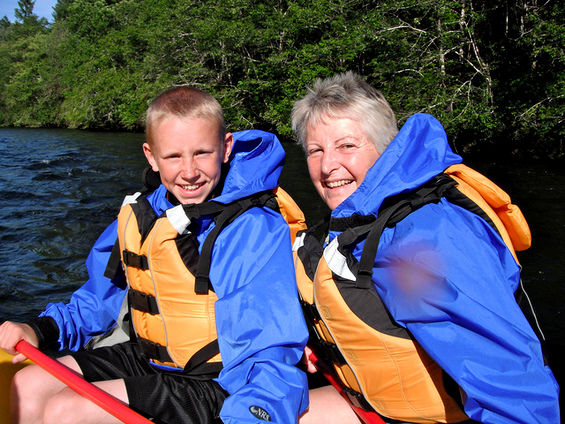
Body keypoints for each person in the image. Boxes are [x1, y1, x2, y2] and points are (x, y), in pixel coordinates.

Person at [0, 86, 309, 424]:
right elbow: (99, 299)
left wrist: (255, 414)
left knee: (67, 410)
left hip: (219, 382)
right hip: (151, 358)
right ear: (151, 155)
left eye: (202, 153)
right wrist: (40, 330)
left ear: (226, 147)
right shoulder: (145, 213)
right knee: (27, 383)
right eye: (173, 157)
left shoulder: (249, 228)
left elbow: (270, 348)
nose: (189, 172)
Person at [291, 72, 560, 424]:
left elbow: (511, 386)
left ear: (385, 148)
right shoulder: (355, 222)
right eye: (316, 150)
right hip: (376, 407)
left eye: (347, 146)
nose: (328, 166)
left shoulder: (420, 240)